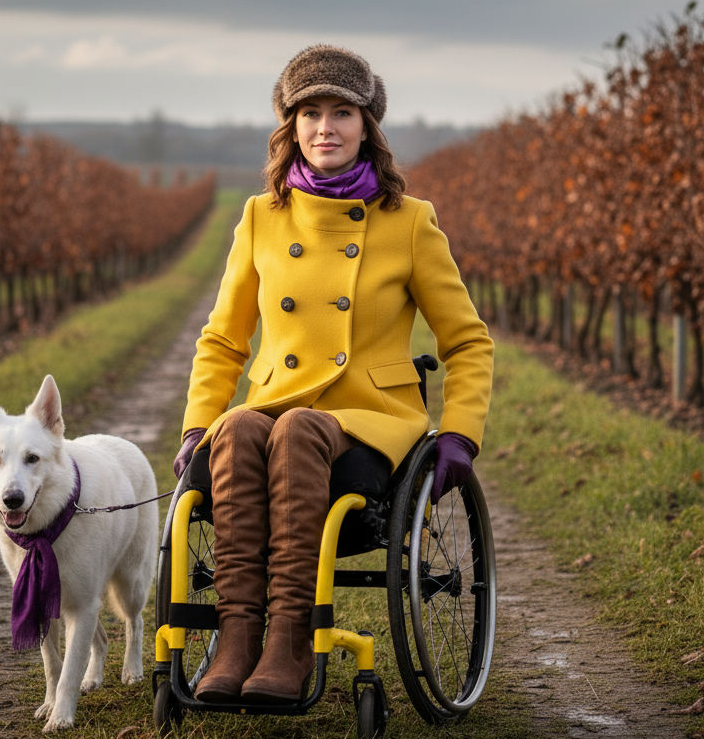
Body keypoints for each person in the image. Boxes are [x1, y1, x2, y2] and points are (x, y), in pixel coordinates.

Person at [172, 44, 493, 705]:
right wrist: (199, 423)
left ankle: (288, 642)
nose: (325, 127)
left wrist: (459, 434)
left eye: (341, 112)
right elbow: (224, 338)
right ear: (289, 126)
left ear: (366, 125)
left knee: (299, 431)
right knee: (239, 431)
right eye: (310, 112)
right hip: (277, 404)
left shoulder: (410, 223)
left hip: (372, 419)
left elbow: (467, 339)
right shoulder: (262, 217)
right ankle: (237, 640)